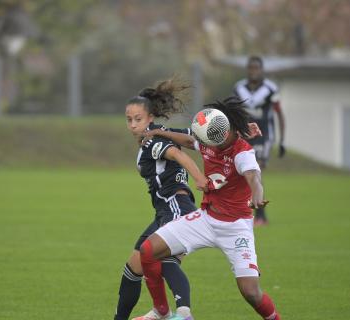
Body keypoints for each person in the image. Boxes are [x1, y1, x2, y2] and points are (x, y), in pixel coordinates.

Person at [139, 97, 281, 320]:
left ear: (227, 131)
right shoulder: (210, 138)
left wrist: (257, 194)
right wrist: (161, 133)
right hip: (205, 219)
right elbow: (188, 141)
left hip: (236, 228)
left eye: (211, 142)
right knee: (148, 251)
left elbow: (253, 177)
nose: (207, 147)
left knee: (251, 292)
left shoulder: (242, 152)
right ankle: (162, 311)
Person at [115, 78, 209, 320]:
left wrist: (200, 178)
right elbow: (196, 138)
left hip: (176, 207)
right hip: (164, 211)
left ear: (150, 118)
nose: (133, 124)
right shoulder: (163, 134)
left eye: (138, 119)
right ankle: (144, 314)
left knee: (166, 260)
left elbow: (178, 154)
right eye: (129, 119)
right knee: (133, 268)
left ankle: (183, 314)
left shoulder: (152, 141)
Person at [233, 55, 286, 225]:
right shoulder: (239, 88)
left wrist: (283, 141)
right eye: (251, 68)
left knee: (256, 171)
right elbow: (232, 111)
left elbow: (279, 113)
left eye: (256, 68)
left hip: (265, 136)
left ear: (261, 70)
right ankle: (247, 212)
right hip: (245, 135)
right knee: (244, 174)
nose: (253, 71)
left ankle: (260, 216)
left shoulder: (270, 88)